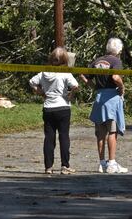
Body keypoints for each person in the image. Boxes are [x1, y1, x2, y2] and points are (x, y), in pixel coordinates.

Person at [81, 37, 128, 174]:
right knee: (112, 132)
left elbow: (83, 75)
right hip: (111, 99)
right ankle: (112, 163)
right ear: (119, 50)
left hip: (99, 98)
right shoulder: (116, 61)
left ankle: (102, 163)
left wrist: (94, 87)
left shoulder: (97, 61)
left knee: (101, 133)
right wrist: (122, 87)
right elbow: (115, 77)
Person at [29, 47, 79, 175]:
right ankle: (65, 166)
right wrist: (70, 95)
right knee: (64, 136)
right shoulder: (65, 73)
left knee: (49, 138)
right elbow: (75, 85)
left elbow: (32, 82)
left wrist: (41, 93)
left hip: (48, 108)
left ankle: (48, 167)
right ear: (64, 59)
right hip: (63, 107)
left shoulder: (44, 72)